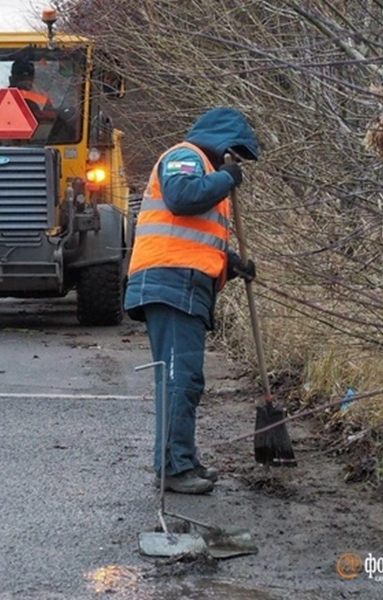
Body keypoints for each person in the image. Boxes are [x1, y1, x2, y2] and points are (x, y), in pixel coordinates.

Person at [124, 107, 259, 494]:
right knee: (179, 378)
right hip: (170, 282)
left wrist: (231, 263)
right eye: (235, 154)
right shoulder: (185, 156)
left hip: (183, 284)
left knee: (185, 378)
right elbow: (182, 197)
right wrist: (225, 178)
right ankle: (173, 466)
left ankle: (182, 458)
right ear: (222, 143)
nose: (234, 162)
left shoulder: (204, 170)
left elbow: (193, 238)